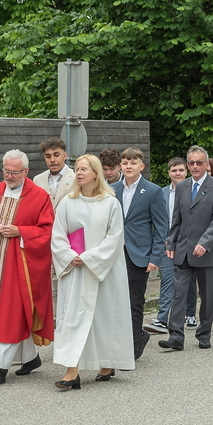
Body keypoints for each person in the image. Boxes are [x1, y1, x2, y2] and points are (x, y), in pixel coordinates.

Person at [0, 150, 55, 384]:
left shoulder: (40, 197)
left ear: (26, 172)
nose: (9, 176)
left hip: (21, 267)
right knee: (12, 313)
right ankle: (30, 358)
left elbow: (47, 230)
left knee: (9, 313)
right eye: (5, 170)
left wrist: (20, 232)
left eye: (14, 172)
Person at [51, 155, 134, 389]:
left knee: (103, 318)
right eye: (77, 169)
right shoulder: (68, 202)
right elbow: (58, 235)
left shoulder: (110, 203)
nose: (78, 173)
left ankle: (107, 363)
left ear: (95, 174)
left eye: (84, 169)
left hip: (102, 272)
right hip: (74, 271)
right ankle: (72, 371)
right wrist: (70, 256)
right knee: (72, 319)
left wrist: (89, 258)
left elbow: (115, 238)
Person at [157, 146, 213, 351]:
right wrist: (171, 242)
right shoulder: (182, 186)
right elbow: (176, 218)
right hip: (184, 249)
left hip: (208, 250)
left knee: (207, 295)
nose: (195, 166)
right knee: (179, 293)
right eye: (191, 163)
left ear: (206, 164)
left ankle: (204, 333)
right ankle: (176, 336)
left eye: (199, 162)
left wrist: (205, 242)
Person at [111, 147, 167, 357]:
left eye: (133, 163)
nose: (129, 166)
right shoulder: (112, 189)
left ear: (141, 166)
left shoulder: (152, 191)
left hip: (139, 253)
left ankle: (135, 343)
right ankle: (124, 339)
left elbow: (161, 227)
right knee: (117, 300)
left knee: (135, 301)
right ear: (120, 166)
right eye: (125, 163)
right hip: (115, 252)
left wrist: (156, 257)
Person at [147, 157, 190, 335]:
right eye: (174, 170)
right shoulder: (161, 193)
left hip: (188, 243)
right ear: (168, 173)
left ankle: (189, 315)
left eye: (180, 170)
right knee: (167, 280)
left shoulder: (193, 191)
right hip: (167, 243)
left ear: (186, 172)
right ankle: (162, 318)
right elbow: (155, 219)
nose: (177, 173)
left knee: (187, 282)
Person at [32, 137, 74, 210]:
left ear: (64, 156)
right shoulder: (37, 180)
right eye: (48, 156)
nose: (52, 160)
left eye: (56, 155)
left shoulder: (75, 179)